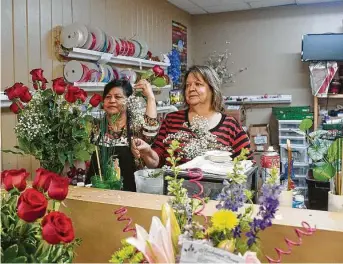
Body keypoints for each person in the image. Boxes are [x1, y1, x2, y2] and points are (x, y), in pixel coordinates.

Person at [132, 65, 252, 168]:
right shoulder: (172, 120)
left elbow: (247, 163)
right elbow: (158, 160)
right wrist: (147, 152)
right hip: (176, 191)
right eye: (188, 85)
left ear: (212, 89)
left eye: (198, 84)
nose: (191, 88)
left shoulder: (230, 125)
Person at [86, 79, 159, 191]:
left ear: (128, 101)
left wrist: (150, 97)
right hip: (95, 193)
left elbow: (151, 128)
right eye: (108, 97)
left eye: (118, 97)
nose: (112, 100)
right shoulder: (95, 127)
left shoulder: (135, 129)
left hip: (129, 196)